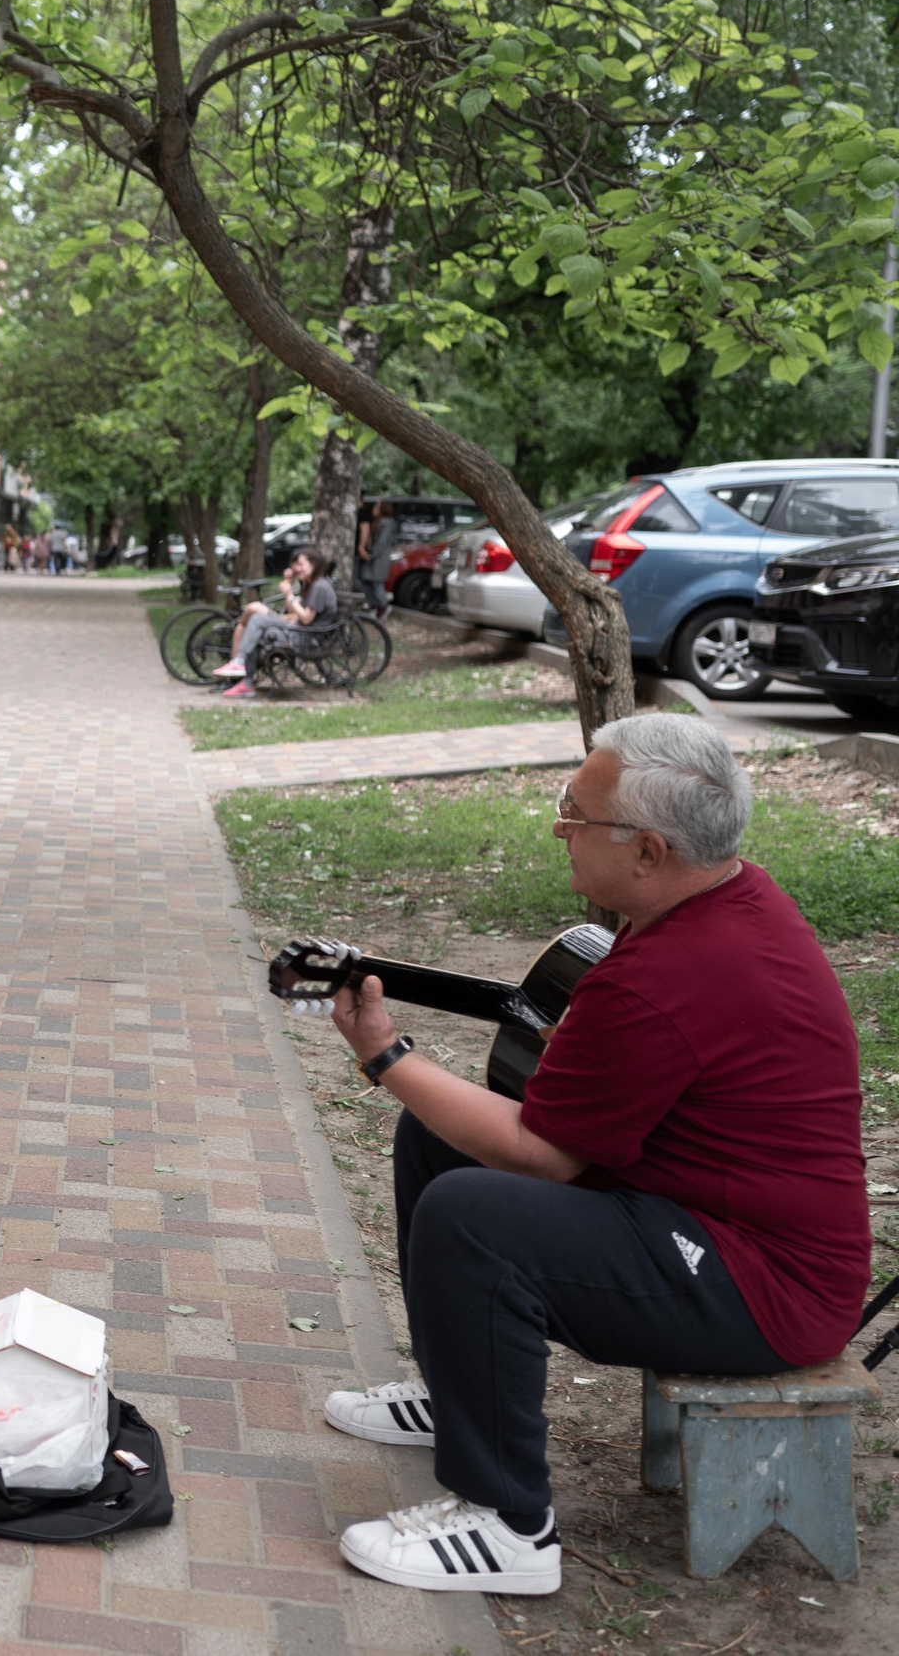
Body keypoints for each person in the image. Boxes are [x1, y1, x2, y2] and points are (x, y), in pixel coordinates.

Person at [313, 714, 866, 1596]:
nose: (560, 826)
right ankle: (457, 1400)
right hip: (708, 1215)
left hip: (769, 1286)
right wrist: (412, 1081)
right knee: (440, 1135)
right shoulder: (726, 900)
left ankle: (508, 1525)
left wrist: (386, 1055)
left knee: (474, 1214)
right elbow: (555, 1123)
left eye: (575, 812)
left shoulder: (669, 972)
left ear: (648, 850)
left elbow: (542, 1157)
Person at [213, 546, 335, 696]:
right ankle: (246, 683)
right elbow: (294, 613)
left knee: (257, 620)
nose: (297, 568)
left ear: (314, 565)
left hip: (306, 637)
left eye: (301, 564)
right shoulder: (313, 586)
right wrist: (288, 592)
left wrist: (290, 595)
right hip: (301, 632)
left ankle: (239, 663)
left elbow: (306, 619)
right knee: (256, 628)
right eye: (297, 564)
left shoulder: (319, 586)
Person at [358, 498, 397, 612]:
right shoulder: (379, 522)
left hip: (379, 558)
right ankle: (377, 605)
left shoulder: (386, 523)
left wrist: (371, 555)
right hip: (377, 557)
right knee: (372, 582)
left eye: (377, 507)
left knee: (377, 583)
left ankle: (382, 607)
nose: (373, 509)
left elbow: (381, 542)